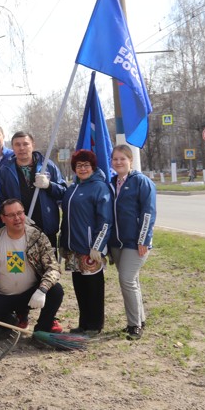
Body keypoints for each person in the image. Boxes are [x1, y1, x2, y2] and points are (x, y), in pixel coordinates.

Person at [0, 199, 64, 334]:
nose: (17, 218)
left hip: (30, 294)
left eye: (20, 213)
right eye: (11, 215)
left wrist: (42, 290)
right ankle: (9, 322)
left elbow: (53, 267)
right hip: (2, 295)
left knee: (56, 291)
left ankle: (42, 328)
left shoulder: (37, 238)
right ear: (3, 218)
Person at [60, 149, 113, 335]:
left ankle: (94, 325)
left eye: (86, 165)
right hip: (73, 249)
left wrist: (98, 246)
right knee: (80, 288)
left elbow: (105, 220)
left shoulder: (100, 187)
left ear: (93, 167)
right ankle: (83, 324)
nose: (82, 169)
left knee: (93, 289)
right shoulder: (73, 188)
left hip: (90, 249)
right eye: (79, 165)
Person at [108, 144, 156, 340]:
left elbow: (148, 213)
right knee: (132, 280)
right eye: (115, 159)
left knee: (126, 279)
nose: (119, 162)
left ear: (130, 161)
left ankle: (134, 325)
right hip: (117, 243)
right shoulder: (111, 183)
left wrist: (143, 238)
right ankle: (140, 318)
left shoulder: (141, 182)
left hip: (136, 243)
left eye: (123, 159)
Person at [0, 131, 66, 249]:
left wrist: (49, 185)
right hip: (17, 230)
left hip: (46, 229)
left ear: (32, 145)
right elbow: (1, 200)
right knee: (18, 267)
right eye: (17, 144)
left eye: (25, 144)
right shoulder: (5, 170)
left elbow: (63, 193)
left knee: (49, 266)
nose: (22, 148)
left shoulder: (48, 166)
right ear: (12, 147)